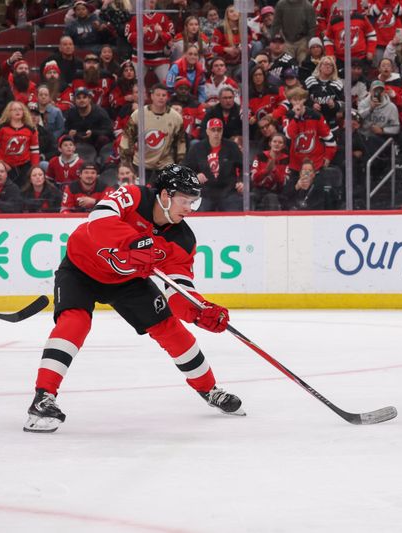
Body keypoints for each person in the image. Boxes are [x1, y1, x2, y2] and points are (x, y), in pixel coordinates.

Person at [24, 164, 244, 433]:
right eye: (184, 200)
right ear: (165, 195)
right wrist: (131, 243)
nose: (189, 208)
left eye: (193, 202)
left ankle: (209, 390)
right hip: (82, 267)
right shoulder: (133, 196)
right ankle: (42, 398)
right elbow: (98, 220)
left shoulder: (182, 240)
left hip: (127, 281)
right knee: (75, 322)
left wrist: (199, 311)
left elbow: (178, 288)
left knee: (170, 329)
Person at [120, 84, 187, 178]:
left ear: (167, 97)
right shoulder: (138, 114)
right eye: (158, 95)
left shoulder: (176, 118)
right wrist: (126, 162)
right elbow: (127, 137)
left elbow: (181, 143)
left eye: (164, 95)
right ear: (152, 96)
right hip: (141, 165)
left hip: (165, 165)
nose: (161, 98)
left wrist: (180, 163)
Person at [183, 118, 244, 212]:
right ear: (207, 131)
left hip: (228, 191)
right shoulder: (197, 148)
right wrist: (195, 176)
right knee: (199, 211)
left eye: (219, 130)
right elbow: (186, 169)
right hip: (205, 192)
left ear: (222, 131)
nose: (216, 133)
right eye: (213, 130)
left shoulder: (232, 147)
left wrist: (241, 181)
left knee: (234, 210)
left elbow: (244, 167)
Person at [0, 101, 40, 188]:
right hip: (5, 166)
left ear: (24, 112)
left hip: (24, 165)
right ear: (9, 112)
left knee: (24, 189)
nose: (18, 111)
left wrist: (35, 168)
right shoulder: (0, 127)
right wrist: (2, 164)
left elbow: (34, 151)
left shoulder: (31, 129)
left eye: (20, 109)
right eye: (14, 109)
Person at [64, 87, 114, 152]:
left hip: (96, 142)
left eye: (84, 97)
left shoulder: (100, 112)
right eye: (78, 98)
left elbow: (109, 130)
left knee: (103, 139)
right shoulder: (71, 113)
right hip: (78, 143)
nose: (82, 100)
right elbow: (65, 129)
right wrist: (69, 133)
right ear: (74, 101)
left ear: (89, 99)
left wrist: (93, 133)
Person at [251, 132, 289, 210]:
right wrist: (266, 171)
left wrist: (274, 170)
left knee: (272, 198)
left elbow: (283, 182)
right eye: (274, 141)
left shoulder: (287, 159)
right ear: (270, 143)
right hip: (258, 189)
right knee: (249, 197)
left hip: (277, 192)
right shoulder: (260, 156)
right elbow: (253, 178)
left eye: (280, 142)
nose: (277, 144)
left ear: (284, 146)